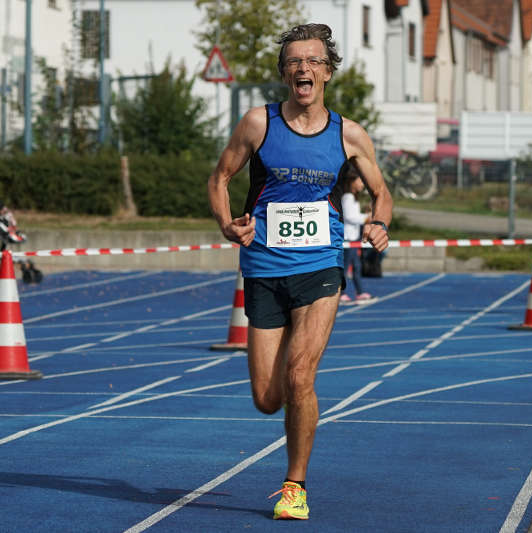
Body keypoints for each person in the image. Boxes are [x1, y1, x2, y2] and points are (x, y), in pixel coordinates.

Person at [206, 23, 392, 520]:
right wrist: (228, 224)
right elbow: (220, 178)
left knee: (300, 374)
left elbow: (382, 191)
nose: (303, 68)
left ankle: (295, 486)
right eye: (294, 62)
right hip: (264, 267)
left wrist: (380, 223)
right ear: (284, 73)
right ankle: (290, 361)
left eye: (312, 61)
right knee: (268, 398)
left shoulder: (347, 133)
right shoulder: (257, 124)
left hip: (320, 266)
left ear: (327, 72)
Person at [340, 168, 373, 303]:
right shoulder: (347, 197)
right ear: (351, 182)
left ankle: (360, 292)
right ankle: (341, 293)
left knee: (356, 266)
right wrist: (367, 218)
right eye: (360, 181)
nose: (362, 184)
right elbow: (350, 217)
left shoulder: (354, 198)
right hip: (348, 238)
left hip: (354, 237)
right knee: (346, 266)